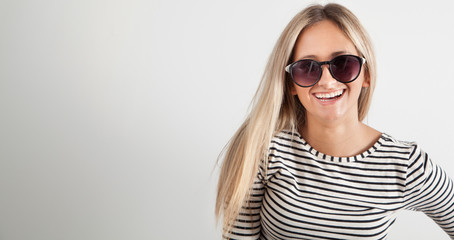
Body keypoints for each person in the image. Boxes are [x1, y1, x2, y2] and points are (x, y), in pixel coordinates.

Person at [215, 3, 454, 240]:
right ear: (291, 84)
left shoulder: (406, 164)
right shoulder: (261, 150)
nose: (327, 82)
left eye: (343, 64)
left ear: (366, 74)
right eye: (307, 68)